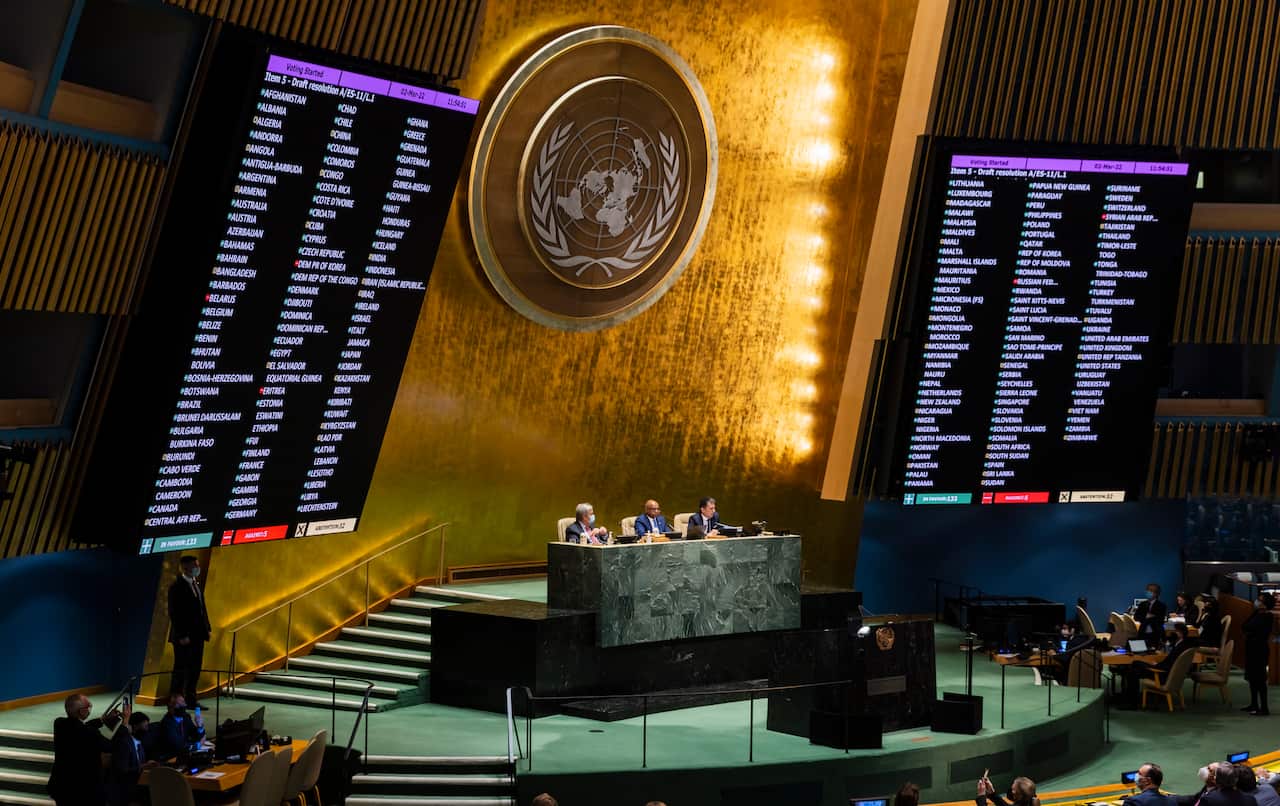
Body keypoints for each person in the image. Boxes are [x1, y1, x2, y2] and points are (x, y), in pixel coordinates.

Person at [47, 693, 122, 806]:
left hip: (61, 786)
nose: (90, 709)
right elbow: (111, 746)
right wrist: (124, 724)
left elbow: (81, 726)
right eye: (88, 707)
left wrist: (102, 720)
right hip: (84, 791)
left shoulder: (59, 723)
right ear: (81, 711)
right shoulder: (90, 733)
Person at [167, 555, 211, 707]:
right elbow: (174, 613)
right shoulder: (176, 587)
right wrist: (182, 635)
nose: (198, 568)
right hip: (184, 637)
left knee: (195, 669)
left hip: (198, 635)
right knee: (181, 669)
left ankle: (191, 699)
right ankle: (176, 701)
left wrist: (207, 628)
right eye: (195, 565)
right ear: (185, 567)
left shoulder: (195, 584)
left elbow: (201, 609)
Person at [107, 710, 155, 806]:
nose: (148, 729)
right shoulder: (124, 744)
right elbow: (122, 772)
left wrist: (147, 765)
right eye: (145, 726)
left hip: (136, 783)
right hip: (124, 790)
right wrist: (142, 767)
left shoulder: (139, 742)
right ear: (136, 726)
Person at [1242, 591, 1276, 715]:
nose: (1257, 602)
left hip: (1259, 650)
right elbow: (1244, 626)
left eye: (1260, 600)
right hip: (1251, 649)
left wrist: (1249, 631)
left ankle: (1264, 708)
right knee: (1252, 678)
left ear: (1265, 604)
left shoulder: (1267, 616)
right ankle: (1254, 704)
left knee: (1260, 679)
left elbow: (1252, 629)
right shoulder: (1257, 613)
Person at [154, 694, 204, 760]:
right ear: (171, 708)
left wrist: (200, 726)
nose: (185, 705)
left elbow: (197, 736)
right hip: (170, 758)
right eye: (180, 704)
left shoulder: (186, 717)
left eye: (184, 702)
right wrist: (198, 745)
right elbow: (179, 746)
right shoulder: (167, 723)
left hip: (184, 755)